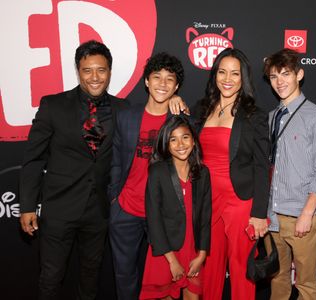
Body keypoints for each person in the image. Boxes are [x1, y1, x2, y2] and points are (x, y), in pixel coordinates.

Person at [19, 40, 129, 300]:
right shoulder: (53, 106)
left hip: (99, 211)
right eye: (87, 70)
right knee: (51, 277)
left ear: (110, 72)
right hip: (59, 209)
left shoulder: (123, 109)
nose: (94, 77)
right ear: (78, 71)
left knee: (90, 278)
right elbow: (34, 159)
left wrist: (175, 102)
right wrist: (26, 206)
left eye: (101, 70)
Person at [108, 52, 187, 300]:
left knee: (164, 282)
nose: (162, 84)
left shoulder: (180, 121)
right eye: (156, 77)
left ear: (176, 86)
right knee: (125, 276)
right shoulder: (127, 117)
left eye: (169, 79)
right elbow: (116, 162)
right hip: (126, 209)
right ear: (146, 81)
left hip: (163, 215)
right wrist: (115, 199)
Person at [193, 48, 271, 300]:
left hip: (239, 201)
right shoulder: (201, 109)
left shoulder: (254, 116)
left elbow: (262, 166)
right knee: (210, 266)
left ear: (243, 78)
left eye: (235, 73)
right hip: (207, 200)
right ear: (215, 74)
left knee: (241, 270)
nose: (227, 78)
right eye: (222, 72)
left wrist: (259, 214)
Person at [263, 48, 316, 300]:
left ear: (299, 75)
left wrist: (307, 213)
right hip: (272, 215)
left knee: (305, 282)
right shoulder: (271, 118)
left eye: (285, 74)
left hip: (301, 216)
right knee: (278, 278)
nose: (280, 81)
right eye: (273, 76)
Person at [139, 115, 211, 300]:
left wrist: (202, 255)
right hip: (165, 251)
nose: (180, 144)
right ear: (167, 144)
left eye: (185, 137)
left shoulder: (203, 173)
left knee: (192, 295)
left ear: (194, 141)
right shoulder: (158, 172)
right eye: (173, 139)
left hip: (192, 251)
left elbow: (205, 217)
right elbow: (153, 219)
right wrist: (172, 261)